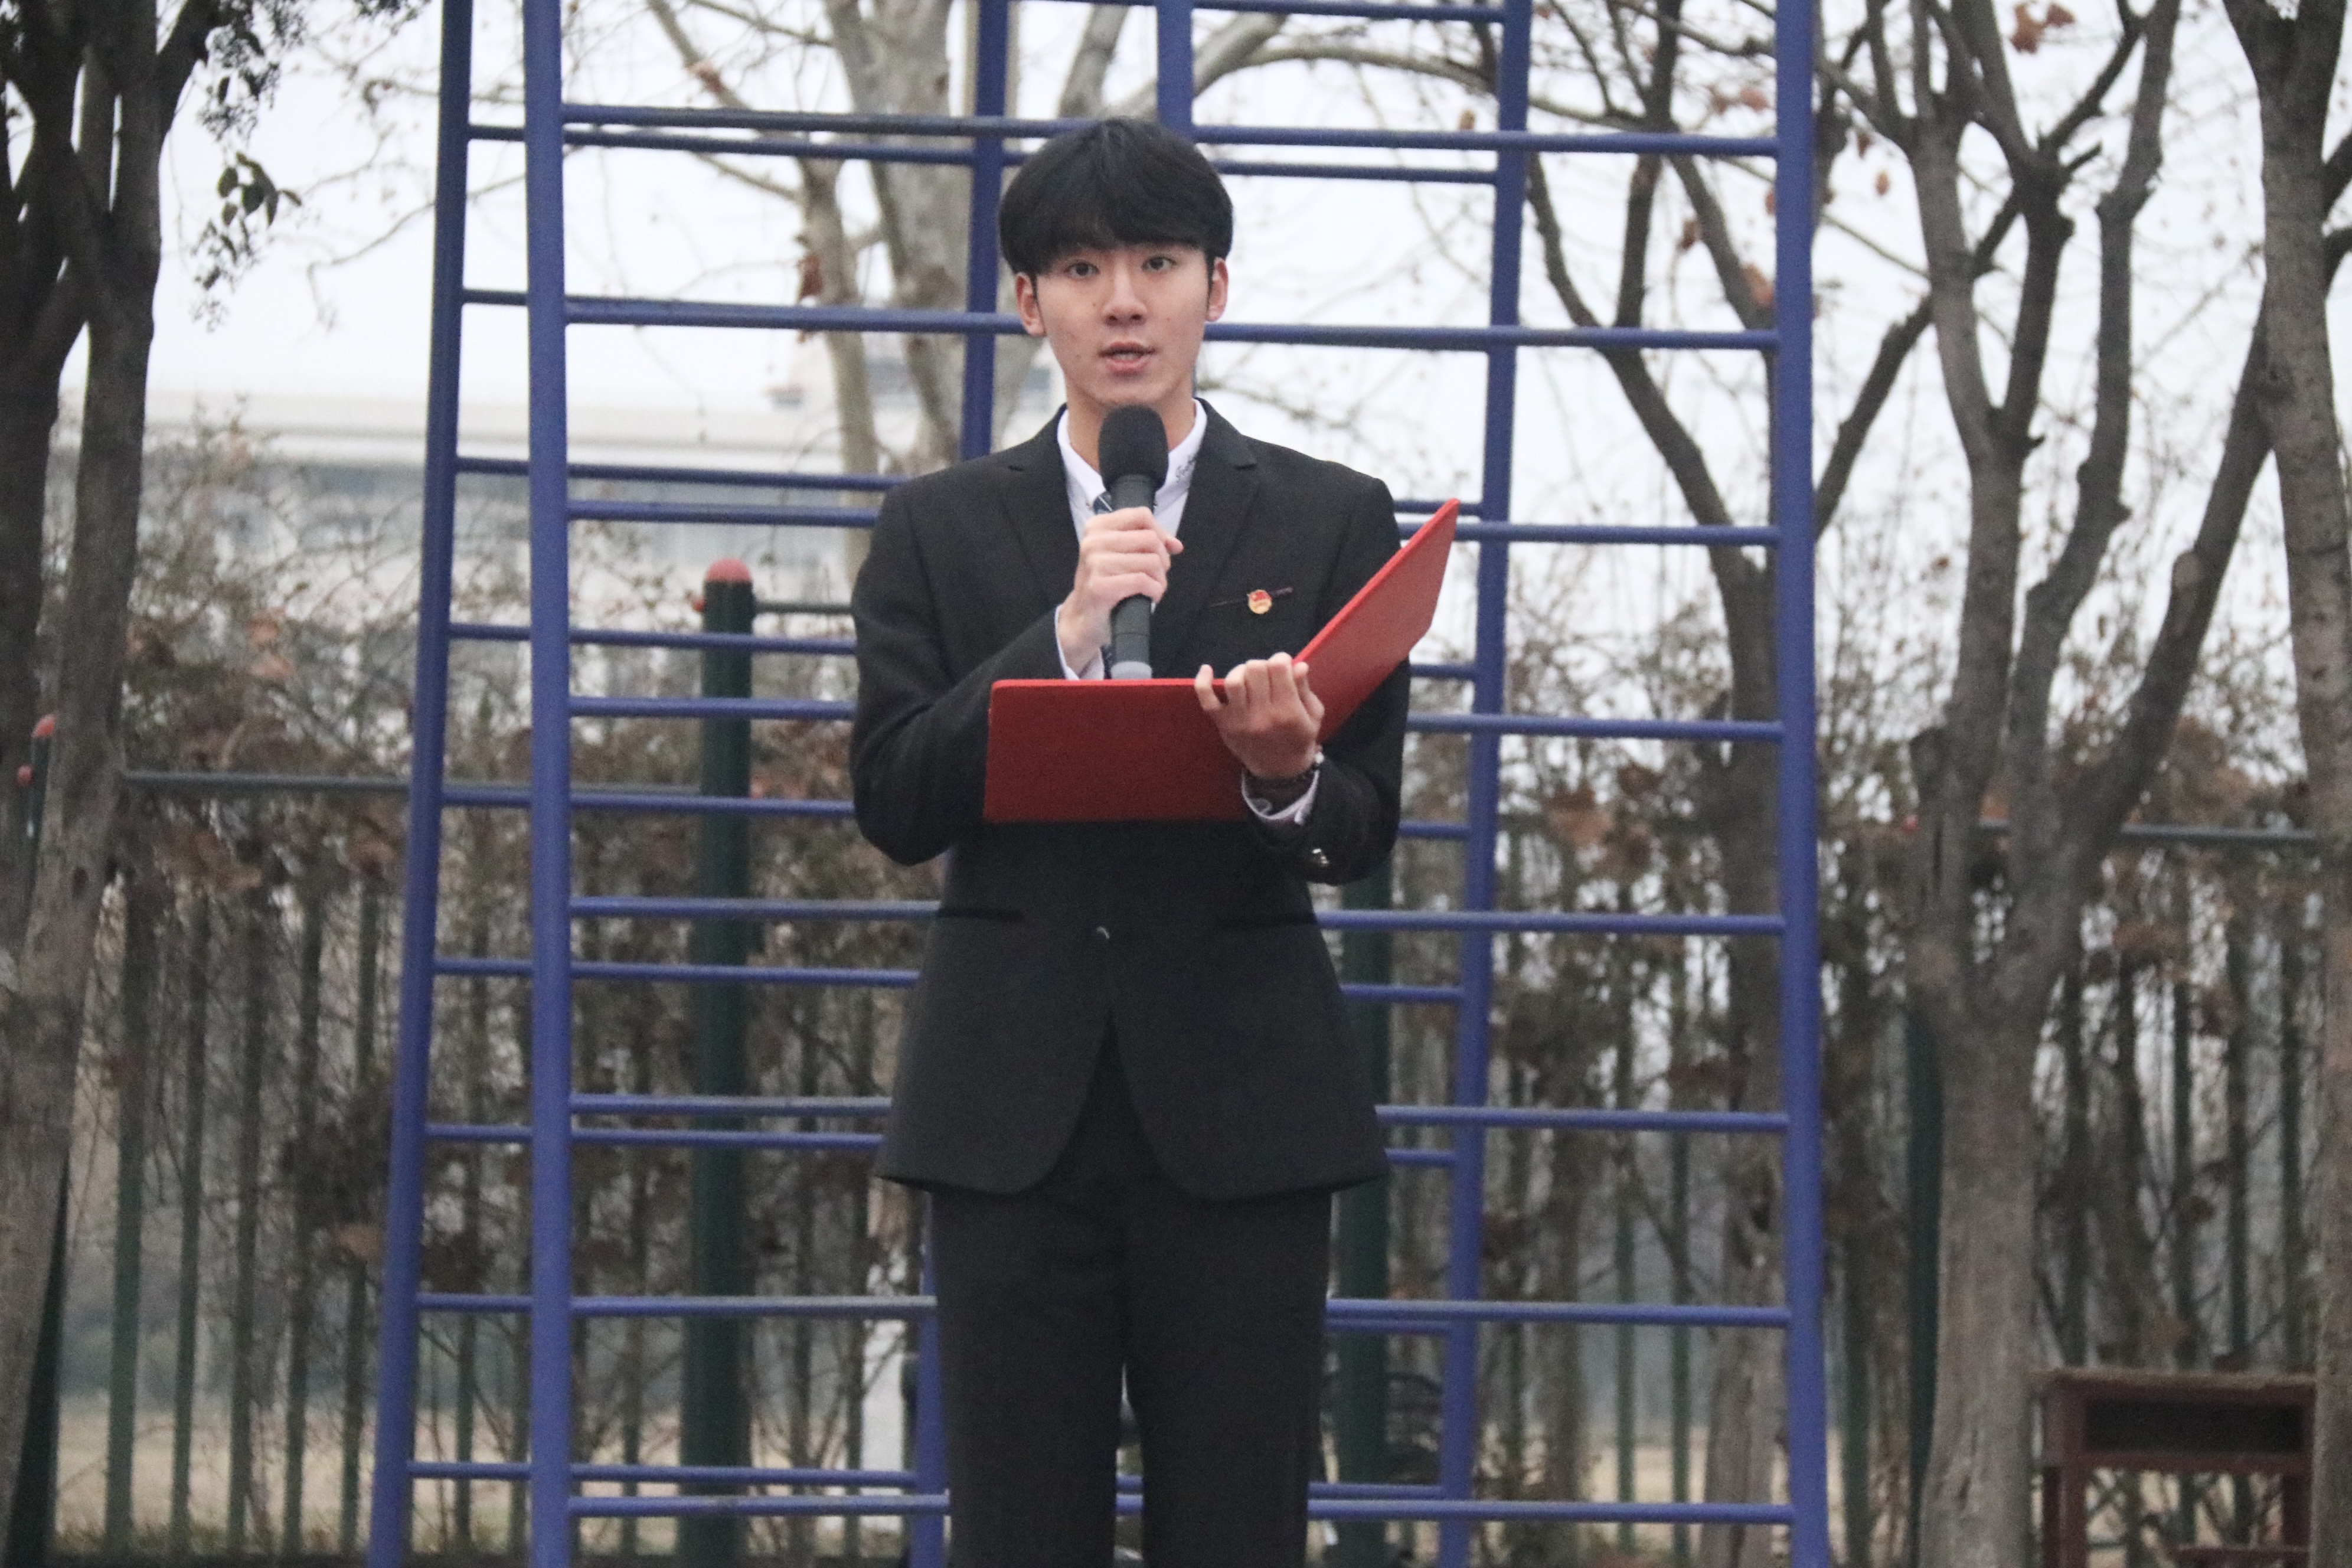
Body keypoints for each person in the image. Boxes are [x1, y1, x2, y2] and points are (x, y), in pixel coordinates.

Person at [850, 116, 1409, 1568]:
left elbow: (1363, 822)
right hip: (1007, 1116)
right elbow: (895, 797)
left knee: (1239, 1524)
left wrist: (1285, 776)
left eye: (1158, 263)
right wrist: (1064, 632)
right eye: (1082, 268)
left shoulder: (1332, 517)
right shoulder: (938, 528)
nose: (1123, 302)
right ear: (1026, 300)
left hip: (1247, 1110)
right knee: (1015, 1528)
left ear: (1215, 288)